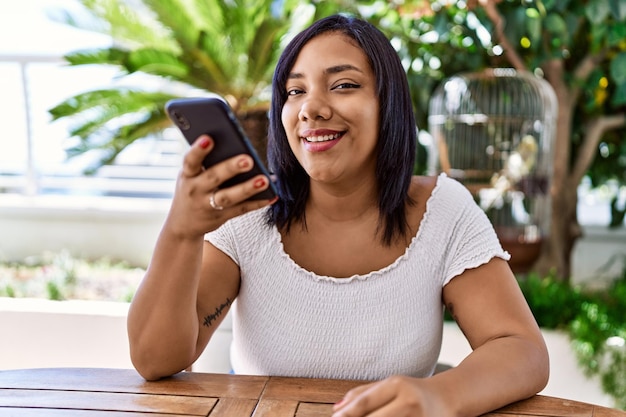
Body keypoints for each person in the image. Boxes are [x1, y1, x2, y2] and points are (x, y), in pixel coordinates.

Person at [127, 14, 549, 417]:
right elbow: (155, 358)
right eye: (295, 91)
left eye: (344, 85)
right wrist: (181, 232)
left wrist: (441, 395)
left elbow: (521, 349)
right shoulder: (248, 215)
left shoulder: (442, 211)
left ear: (389, 104)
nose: (312, 108)